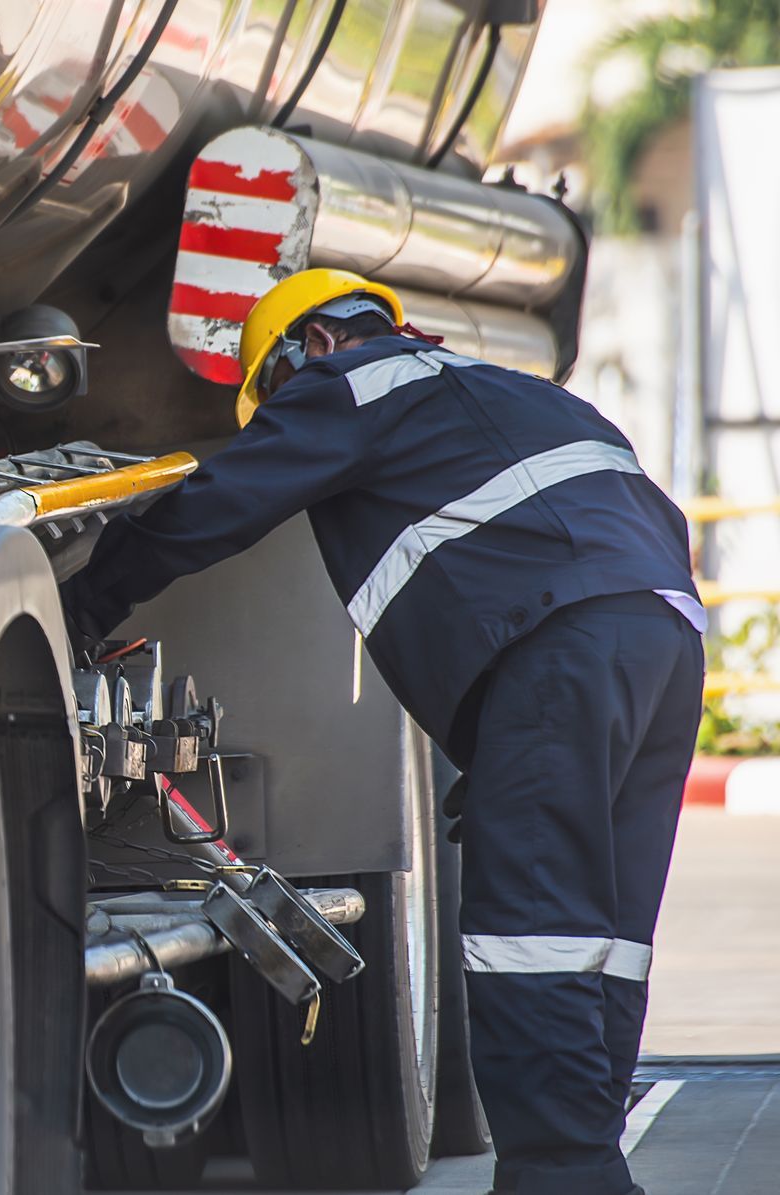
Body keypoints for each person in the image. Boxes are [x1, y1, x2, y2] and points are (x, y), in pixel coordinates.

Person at [62, 268, 704, 1195]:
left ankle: (561, 1176)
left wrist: (88, 597)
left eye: (275, 395)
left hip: (557, 651)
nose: (286, 415)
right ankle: (589, 1162)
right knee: (601, 928)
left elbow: (213, 506)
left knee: (531, 924)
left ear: (313, 345)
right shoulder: (529, 396)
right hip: (661, 643)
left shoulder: (348, 385)